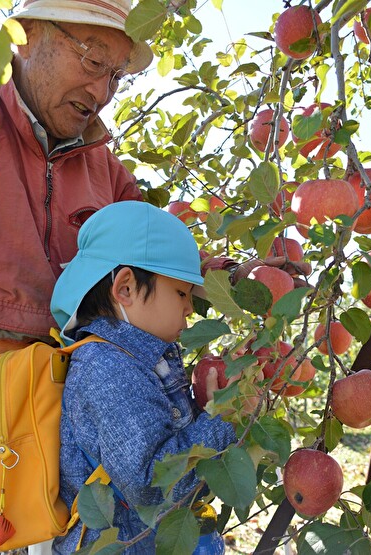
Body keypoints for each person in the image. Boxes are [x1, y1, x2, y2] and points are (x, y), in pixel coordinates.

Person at [0, 0, 154, 363]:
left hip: (58, 394)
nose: (102, 94)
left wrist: (225, 274)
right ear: (26, 37)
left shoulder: (106, 170)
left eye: (115, 76)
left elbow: (153, 249)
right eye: (94, 61)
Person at [50, 201, 237, 554]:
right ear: (126, 289)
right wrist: (221, 419)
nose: (188, 308)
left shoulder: (142, 361)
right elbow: (152, 485)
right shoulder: (107, 367)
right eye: (181, 293)